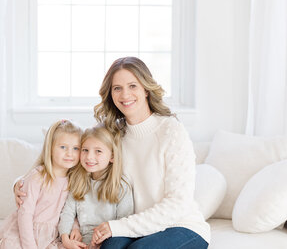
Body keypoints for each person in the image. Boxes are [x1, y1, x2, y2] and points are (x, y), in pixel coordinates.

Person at [15, 57, 210, 249]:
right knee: (108, 247)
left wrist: (117, 226)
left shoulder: (171, 131)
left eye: (133, 86)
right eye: (117, 88)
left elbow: (177, 204)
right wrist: (21, 183)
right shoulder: (111, 133)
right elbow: (69, 159)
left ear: (146, 90)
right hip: (134, 228)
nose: (125, 94)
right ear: (110, 94)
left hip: (181, 226)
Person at [0, 119, 86, 249]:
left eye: (75, 148)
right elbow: (25, 216)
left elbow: (73, 211)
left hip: (52, 237)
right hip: (25, 234)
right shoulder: (37, 177)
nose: (69, 153)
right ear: (50, 148)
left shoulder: (74, 180)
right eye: (63, 147)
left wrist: (75, 228)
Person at [58, 124, 133, 249]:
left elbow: (124, 221)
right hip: (80, 241)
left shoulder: (121, 186)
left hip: (108, 240)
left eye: (98, 151)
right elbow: (67, 213)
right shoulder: (78, 180)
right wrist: (65, 238)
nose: (89, 157)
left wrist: (100, 240)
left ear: (112, 156)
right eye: (85, 150)